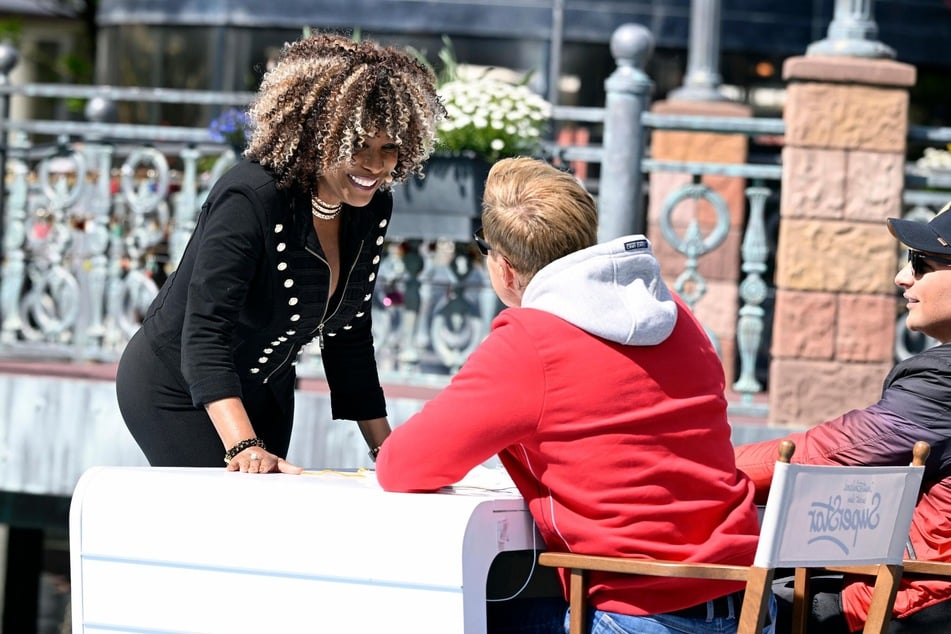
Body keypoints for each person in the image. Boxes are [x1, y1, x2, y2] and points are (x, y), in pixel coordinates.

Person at [377, 157, 770, 634]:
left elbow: (401, 464)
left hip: (638, 614)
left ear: (503, 268)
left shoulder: (529, 343)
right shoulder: (675, 313)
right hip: (748, 608)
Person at [116, 33, 445, 473]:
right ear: (317, 133)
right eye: (358, 145)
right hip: (176, 387)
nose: (374, 164)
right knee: (225, 525)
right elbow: (205, 331)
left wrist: (390, 454)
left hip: (266, 388)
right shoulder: (251, 197)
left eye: (389, 149)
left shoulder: (371, 207)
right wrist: (243, 446)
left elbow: (348, 335)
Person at [734, 202, 951, 633]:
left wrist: (691, 471)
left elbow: (828, 455)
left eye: (921, 263)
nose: (903, 277)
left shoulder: (942, 383)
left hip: (909, 605)